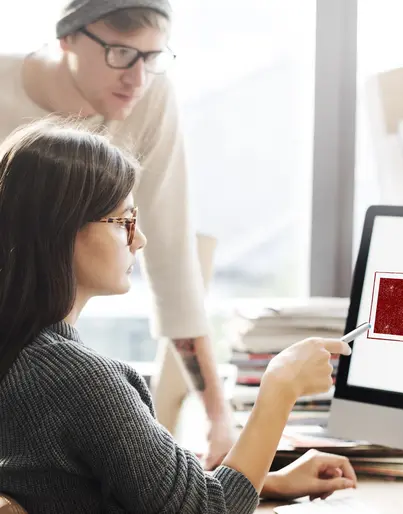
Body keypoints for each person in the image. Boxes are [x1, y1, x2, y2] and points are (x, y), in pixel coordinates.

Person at [0, 118, 357, 513]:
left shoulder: (23, 355)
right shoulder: (77, 380)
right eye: (124, 222)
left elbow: (95, 487)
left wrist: (265, 482)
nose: (140, 240)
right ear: (63, 230)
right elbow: (207, 510)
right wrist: (281, 387)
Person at [0, 0, 235, 468]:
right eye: (121, 53)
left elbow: (171, 258)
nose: (138, 78)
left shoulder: (150, 96)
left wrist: (218, 417)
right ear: (67, 37)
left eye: (154, 57)